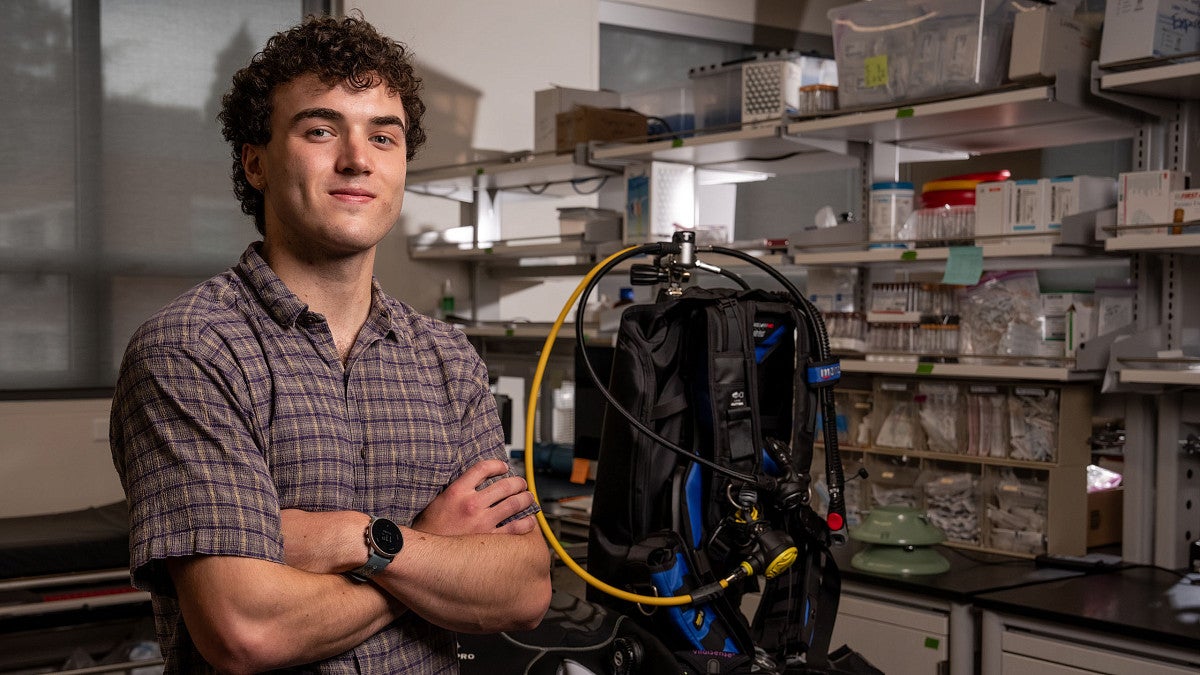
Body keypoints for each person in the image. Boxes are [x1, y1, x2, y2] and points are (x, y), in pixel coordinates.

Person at [109, 14, 551, 673]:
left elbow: (523, 587)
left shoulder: (446, 358)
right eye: (321, 129)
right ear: (255, 162)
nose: (357, 158)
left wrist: (355, 540)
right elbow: (245, 629)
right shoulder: (189, 350)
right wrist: (432, 549)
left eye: (384, 135)